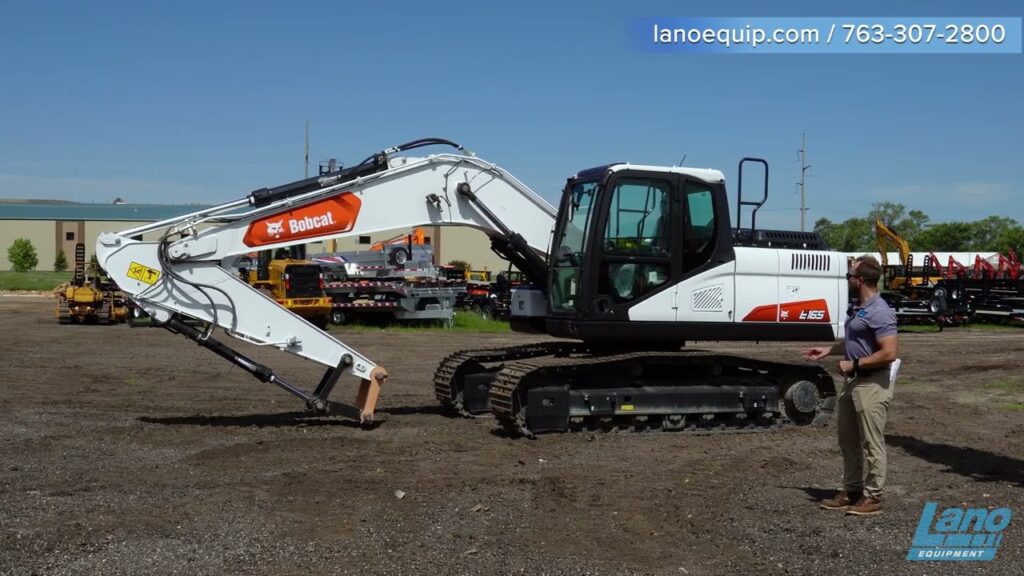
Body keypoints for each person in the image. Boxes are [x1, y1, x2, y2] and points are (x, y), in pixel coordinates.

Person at [803, 254, 898, 516]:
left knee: (871, 442)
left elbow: (889, 352)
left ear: (860, 280)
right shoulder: (861, 308)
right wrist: (829, 350)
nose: (847, 280)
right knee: (847, 440)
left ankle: (873, 496)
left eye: (849, 276)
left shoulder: (880, 311)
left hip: (871, 385)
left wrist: (853, 365)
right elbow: (856, 341)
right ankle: (852, 489)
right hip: (853, 383)